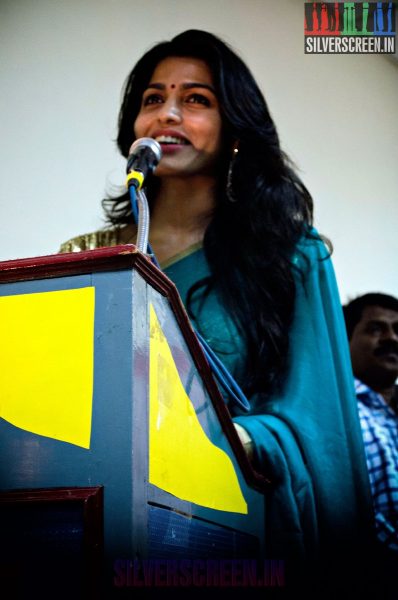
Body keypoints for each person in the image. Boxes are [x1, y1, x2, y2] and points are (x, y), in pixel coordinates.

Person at [60, 30, 374, 594]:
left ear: (234, 130)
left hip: (236, 527)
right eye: (153, 99)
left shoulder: (293, 257)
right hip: (109, 526)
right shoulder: (92, 256)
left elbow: (316, 421)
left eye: (197, 99)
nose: (168, 114)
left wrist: (210, 437)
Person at [343, 294, 398, 556]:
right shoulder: (339, 413)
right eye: (375, 329)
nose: (392, 338)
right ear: (345, 339)